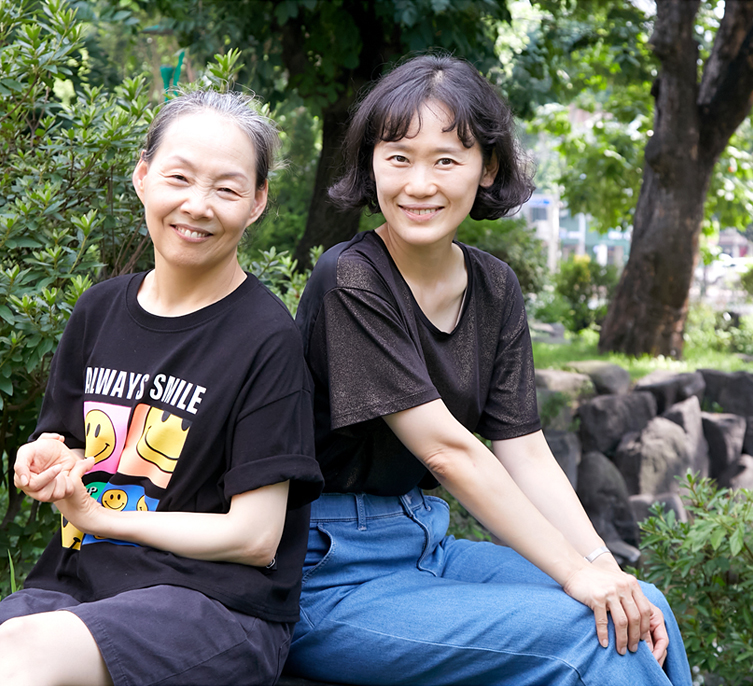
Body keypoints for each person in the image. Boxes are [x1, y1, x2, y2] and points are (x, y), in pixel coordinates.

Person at [0, 89, 323, 686]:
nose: (197, 205)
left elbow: (256, 537)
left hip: (217, 607)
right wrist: (53, 458)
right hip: (79, 590)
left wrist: (101, 519)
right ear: (142, 175)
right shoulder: (101, 310)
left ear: (257, 202)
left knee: (31, 649)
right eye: (178, 176)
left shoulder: (267, 338)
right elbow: (80, 448)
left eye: (227, 188)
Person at [285, 54, 692, 686]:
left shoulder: (494, 286)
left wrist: (602, 567)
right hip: (330, 576)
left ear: (488, 167)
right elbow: (450, 453)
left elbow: (524, 450)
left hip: (427, 546)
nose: (419, 184)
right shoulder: (352, 279)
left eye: (446, 159)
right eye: (398, 156)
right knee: (590, 633)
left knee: (641, 606)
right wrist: (578, 577)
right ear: (371, 162)